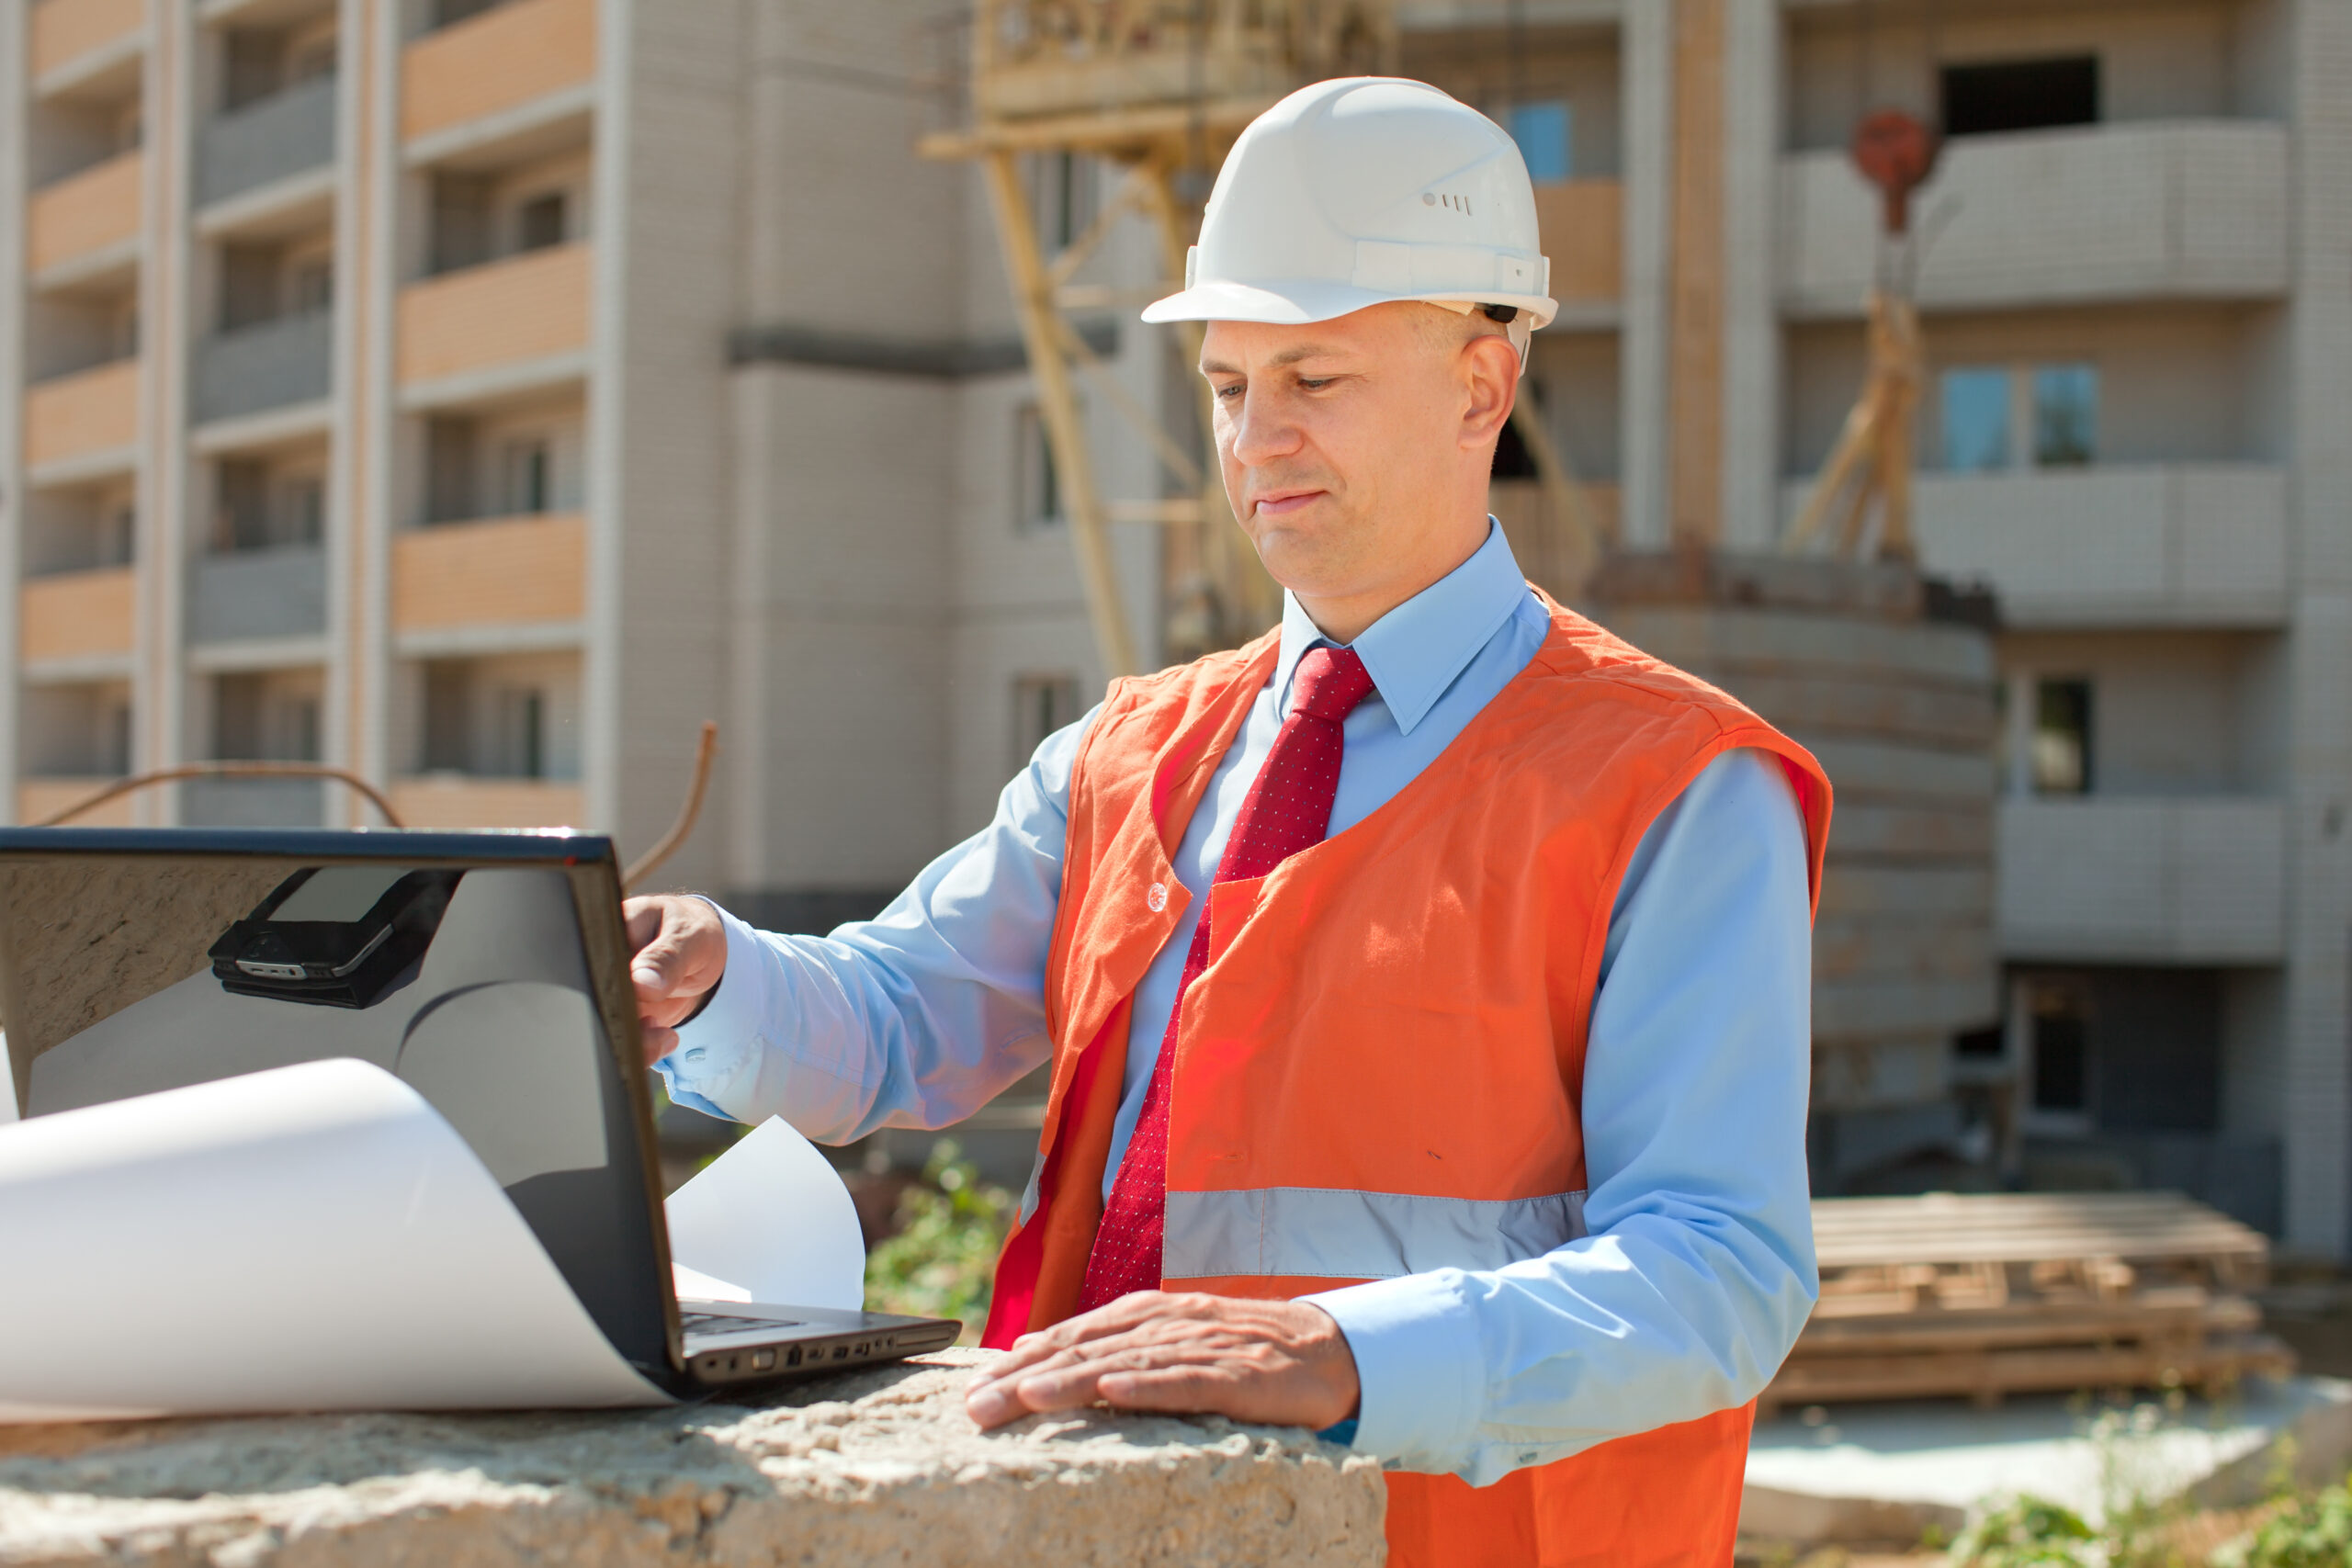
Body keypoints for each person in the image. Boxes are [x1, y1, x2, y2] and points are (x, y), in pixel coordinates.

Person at [627, 76, 1832, 1567]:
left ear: (1479, 386)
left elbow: (1721, 1274)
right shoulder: (1129, 753)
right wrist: (717, 978)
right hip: (1112, 1523)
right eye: (1227, 385)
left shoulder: (1675, 785)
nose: (1256, 440)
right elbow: (892, 1021)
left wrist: (1342, 1357)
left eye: (1314, 378)